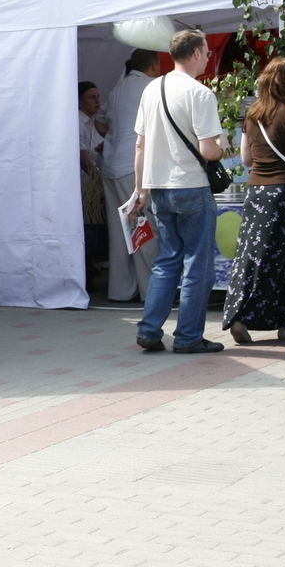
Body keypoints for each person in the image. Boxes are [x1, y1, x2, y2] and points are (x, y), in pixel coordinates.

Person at [129, 29, 227, 354]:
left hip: (158, 186)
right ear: (196, 53)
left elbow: (140, 143)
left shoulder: (151, 89)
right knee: (197, 263)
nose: (209, 57)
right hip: (191, 184)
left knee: (167, 260)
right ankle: (187, 337)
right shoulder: (201, 94)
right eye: (207, 52)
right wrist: (223, 144)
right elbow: (209, 150)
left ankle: (149, 329)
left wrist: (139, 188)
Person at [223, 58, 285, 343]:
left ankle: (241, 315)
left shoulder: (253, 115)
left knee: (251, 255)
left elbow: (246, 159)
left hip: (256, 191)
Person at [99, 50, 163, 301]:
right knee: (143, 229)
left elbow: (100, 122)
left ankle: (120, 290)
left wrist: (118, 134)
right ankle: (151, 292)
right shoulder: (152, 86)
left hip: (111, 165)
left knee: (117, 234)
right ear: (155, 65)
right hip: (131, 166)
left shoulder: (118, 89)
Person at [79, 80, 108, 280]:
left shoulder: (94, 123)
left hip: (93, 182)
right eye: (92, 97)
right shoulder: (77, 122)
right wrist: (102, 184)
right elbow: (84, 161)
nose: (97, 101)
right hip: (84, 185)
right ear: (80, 102)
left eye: (98, 96)